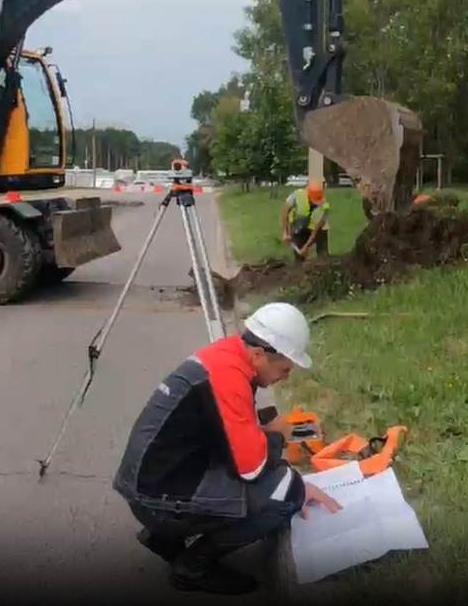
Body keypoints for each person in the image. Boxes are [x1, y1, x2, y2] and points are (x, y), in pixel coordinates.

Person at [112, 302, 342, 595]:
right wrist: (279, 437)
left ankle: (164, 538)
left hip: (149, 482)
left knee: (275, 471)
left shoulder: (224, 355)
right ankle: (192, 567)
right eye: (284, 369)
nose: (286, 377)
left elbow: (222, 432)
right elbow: (251, 469)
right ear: (259, 354)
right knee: (286, 489)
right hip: (157, 498)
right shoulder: (230, 378)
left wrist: (262, 433)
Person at [281, 179, 330, 261]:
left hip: (317, 228)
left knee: (322, 254)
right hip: (298, 226)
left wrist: (306, 246)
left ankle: (322, 261)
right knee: (299, 257)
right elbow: (284, 212)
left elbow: (315, 231)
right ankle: (300, 265)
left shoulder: (323, 206)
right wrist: (285, 232)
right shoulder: (297, 195)